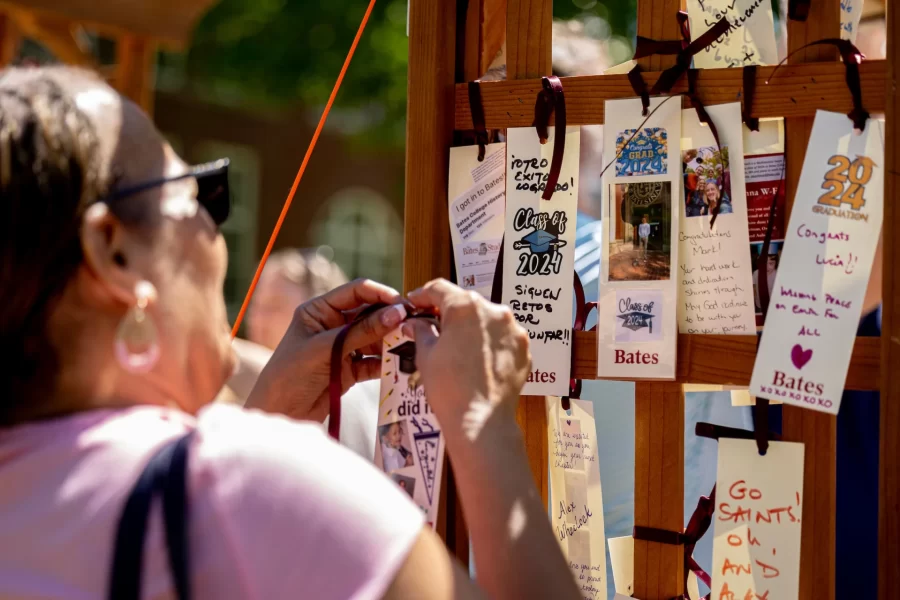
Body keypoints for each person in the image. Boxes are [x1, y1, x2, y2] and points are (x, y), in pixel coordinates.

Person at [0, 66, 583, 600]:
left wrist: (267, 413)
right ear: (113, 252)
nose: (216, 233)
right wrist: (485, 426)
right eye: (199, 195)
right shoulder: (246, 491)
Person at [232, 247, 380, 461]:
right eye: (256, 306)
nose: (258, 320)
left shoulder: (351, 386)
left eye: (274, 306)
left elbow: (283, 376)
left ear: (322, 316)